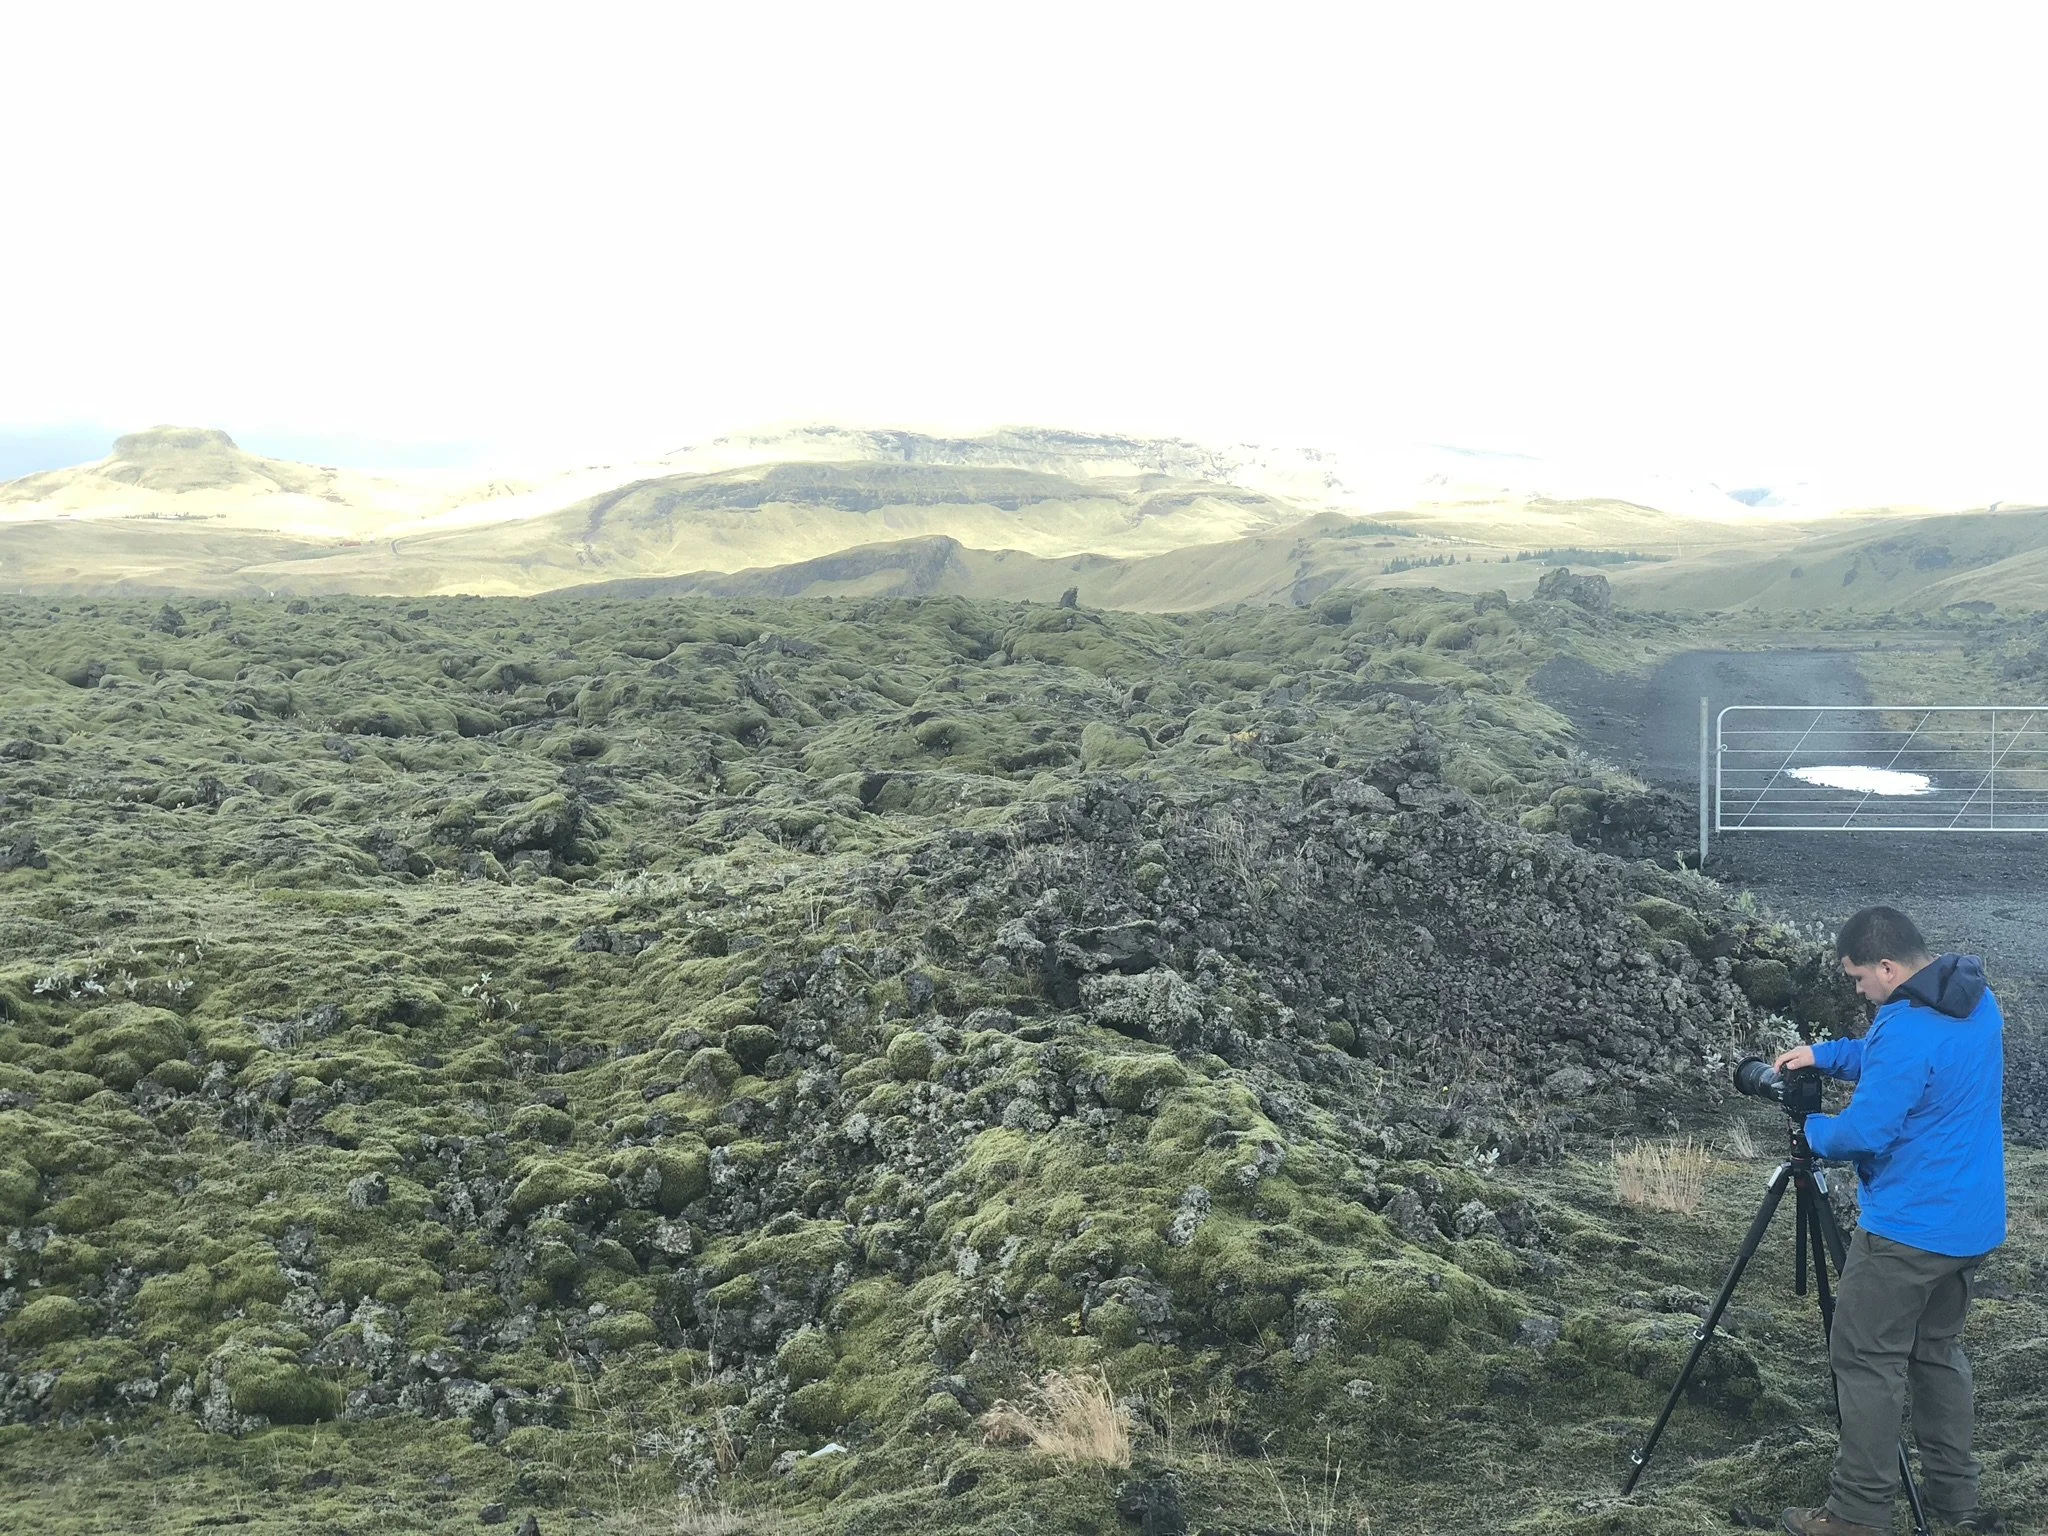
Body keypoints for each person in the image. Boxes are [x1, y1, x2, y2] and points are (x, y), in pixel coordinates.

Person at [1772, 906, 2007, 1536]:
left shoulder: (1905, 1029)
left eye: (1857, 979)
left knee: (1866, 1358)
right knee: (1936, 1353)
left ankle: (1855, 1516)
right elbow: (1898, 1059)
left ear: (1886, 966)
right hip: (1971, 1224)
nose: (1857, 990)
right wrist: (1822, 1055)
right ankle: (1956, 1504)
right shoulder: (1973, 1000)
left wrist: (1811, 1130)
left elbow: (1865, 1132)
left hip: (1910, 1231)